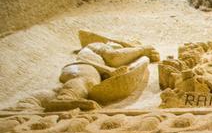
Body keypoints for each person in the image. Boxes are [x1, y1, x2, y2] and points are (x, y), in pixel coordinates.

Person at [18, 30, 158, 111]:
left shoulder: (99, 54)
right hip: (81, 67)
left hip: (77, 69)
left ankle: (32, 102)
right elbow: (114, 57)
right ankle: (66, 99)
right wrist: (141, 50)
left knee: (64, 88)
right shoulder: (101, 46)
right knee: (86, 80)